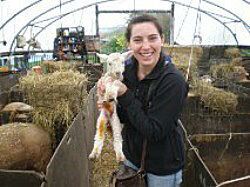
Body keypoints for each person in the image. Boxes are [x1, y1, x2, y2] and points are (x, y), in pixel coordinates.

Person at [105, 14, 188, 187]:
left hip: (162, 167)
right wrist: (108, 103)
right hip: (131, 157)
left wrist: (125, 95)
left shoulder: (173, 81)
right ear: (129, 44)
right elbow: (126, 116)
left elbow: (154, 131)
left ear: (162, 40)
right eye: (137, 40)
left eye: (152, 38)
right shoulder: (126, 72)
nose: (145, 46)